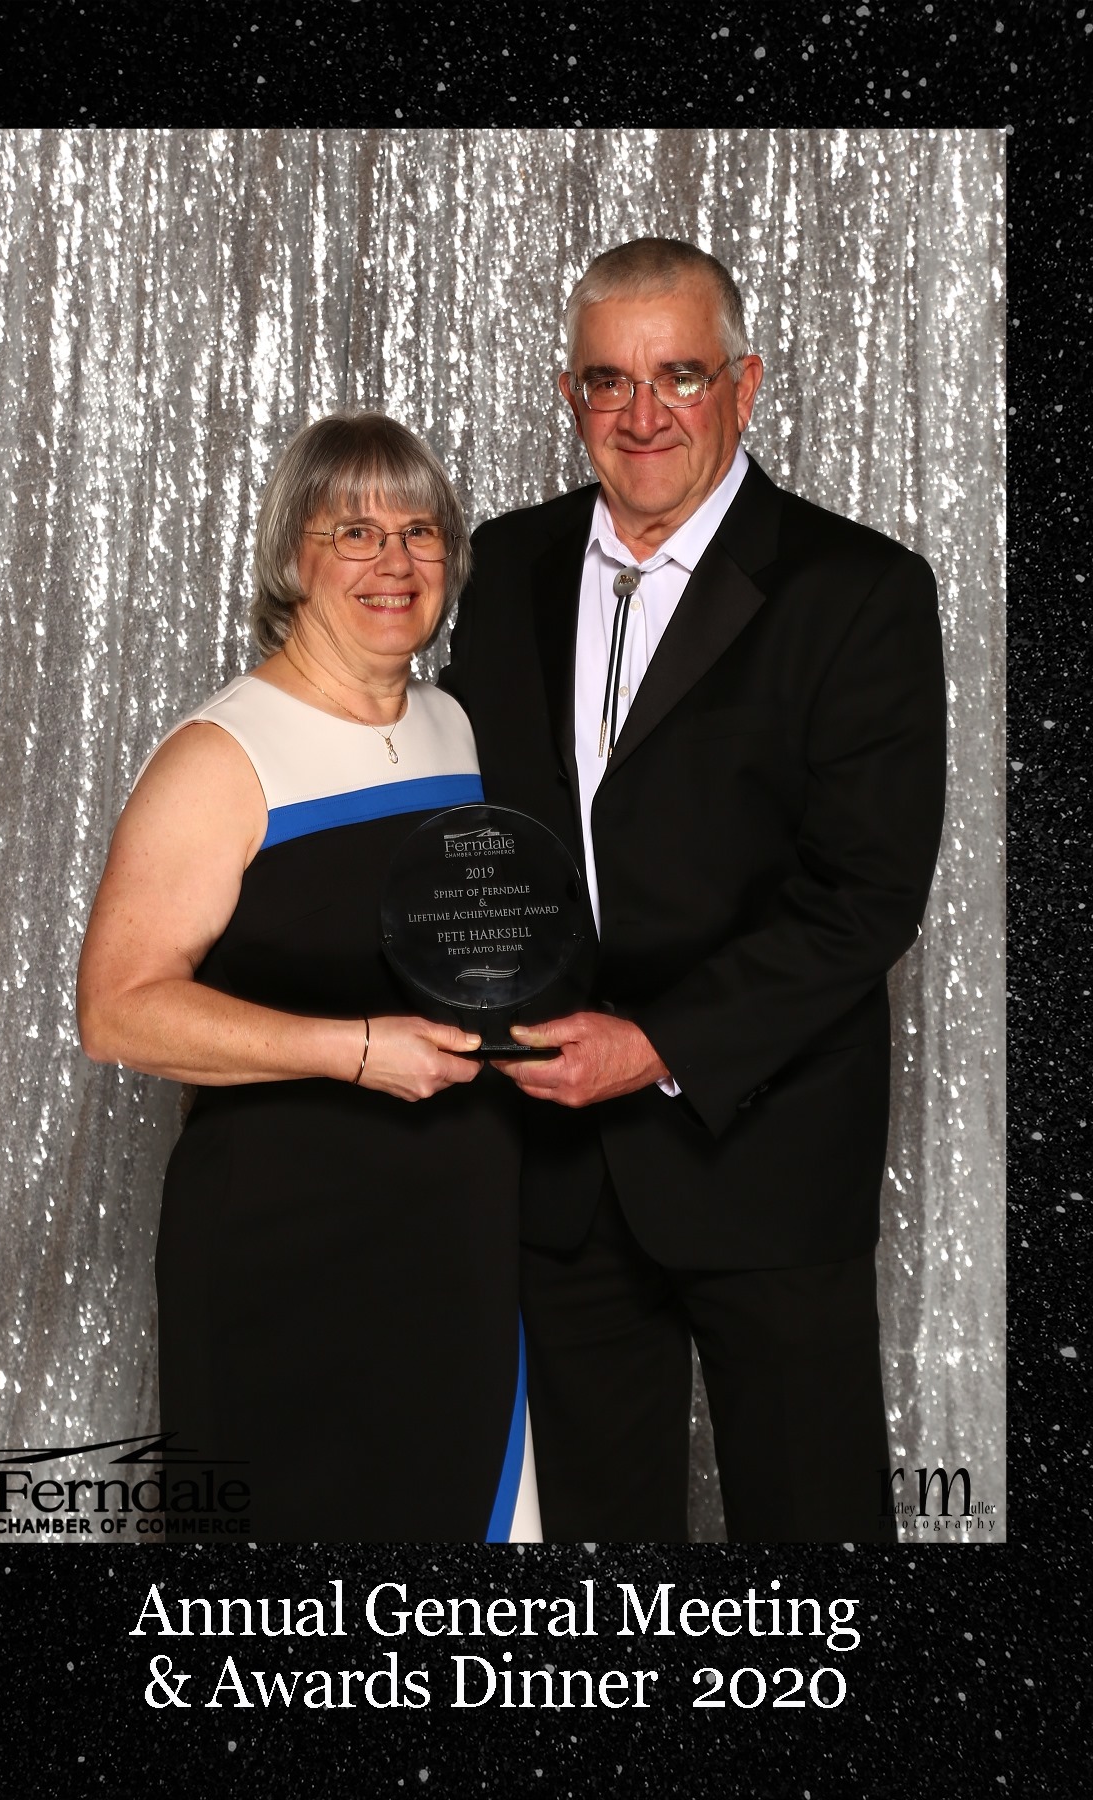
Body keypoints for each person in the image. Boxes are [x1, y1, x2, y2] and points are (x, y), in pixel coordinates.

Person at [441, 238, 947, 1543]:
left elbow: (866, 894)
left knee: (812, 1533)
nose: (643, 413)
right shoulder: (507, 567)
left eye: (678, 374)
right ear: (571, 399)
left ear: (745, 385)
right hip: (555, 1164)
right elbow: (475, 835)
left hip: (761, 1146)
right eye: (609, 382)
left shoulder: (857, 590)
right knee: (602, 1554)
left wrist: (660, 1044)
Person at [77, 412, 539, 1543]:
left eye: (421, 532)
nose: (395, 564)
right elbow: (116, 1010)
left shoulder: (455, 727)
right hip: (284, 1242)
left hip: (458, 1226)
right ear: (293, 556)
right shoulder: (222, 754)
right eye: (355, 533)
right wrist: (357, 1050)